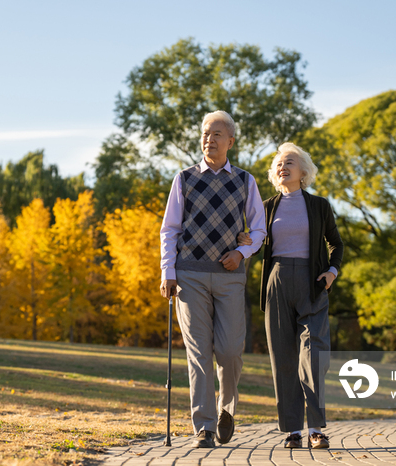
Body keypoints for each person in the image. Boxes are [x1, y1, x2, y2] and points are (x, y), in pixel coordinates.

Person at [159, 111, 266, 448]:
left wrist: (242, 253)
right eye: (206, 133)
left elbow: (259, 229)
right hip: (189, 275)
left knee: (231, 350)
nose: (210, 139)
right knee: (199, 352)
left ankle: (226, 408)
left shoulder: (246, 181)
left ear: (230, 141)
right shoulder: (184, 179)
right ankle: (204, 426)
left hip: (230, 276)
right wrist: (168, 271)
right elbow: (170, 230)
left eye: (217, 134)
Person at [242, 142, 343, 449]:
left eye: (290, 163)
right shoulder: (267, 205)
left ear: (303, 172)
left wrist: (332, 272)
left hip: (313, 284)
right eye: (279, 164)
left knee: (313, 356)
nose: (282, 167)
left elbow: (335, 244)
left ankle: (316, 428)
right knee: (283, 359)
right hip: (277, 282)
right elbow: (257, 240)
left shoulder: (319, 206)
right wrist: (245, 241)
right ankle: (292, 431)